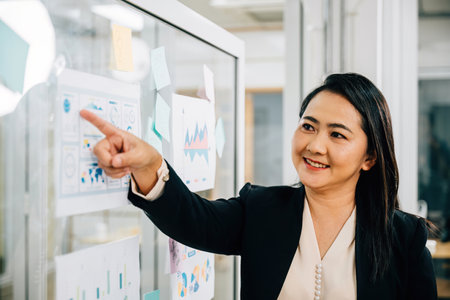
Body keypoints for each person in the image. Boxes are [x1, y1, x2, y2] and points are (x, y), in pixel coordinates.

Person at [80, 73, 437, 300]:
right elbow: (193, 220)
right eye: (308, 126)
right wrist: (149, 164)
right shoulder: (262, 209)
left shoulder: (403, 238)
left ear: (369, 157)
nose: (314, 145)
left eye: (337, 134)